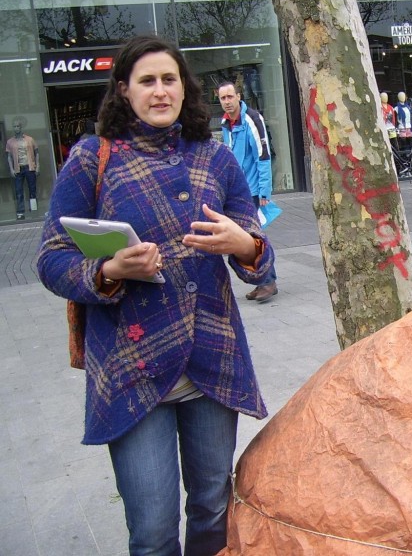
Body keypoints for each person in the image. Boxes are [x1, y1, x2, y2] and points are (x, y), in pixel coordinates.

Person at [36, 35, 274, 556]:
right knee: (154, 531)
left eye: (169, 80)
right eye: (147, 81)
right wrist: (108, 269)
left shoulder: (216, 158)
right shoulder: (90, 159)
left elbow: (257, 258)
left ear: (184, 89)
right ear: (124, 90)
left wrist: (247, 245)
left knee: (213, 509)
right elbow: (52, 257)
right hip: (131, 365)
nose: (160, 91)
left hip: (213, 359)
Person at [218, 80, 279, 303]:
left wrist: (264, 191)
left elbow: (263, 155)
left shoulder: (251, 119)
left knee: (255, 236)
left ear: (238, 96)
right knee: (245, 237)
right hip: (236, 189)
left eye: (229, 97)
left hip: (252, 190)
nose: (226, 101)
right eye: (222, 98)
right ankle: (260, 281)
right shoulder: (226, 124)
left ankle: (267, 282)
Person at [6, 117, 39, 220]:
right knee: (19, 191)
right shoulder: (10, 142)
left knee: (32, 189)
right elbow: (9, 157)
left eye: (18, 126)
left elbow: (36, 153)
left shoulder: (30, 139)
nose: (16, 128)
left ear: (21, 127)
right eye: (14, 126)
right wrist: (11, 169)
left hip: (29, 167)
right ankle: (20, 212)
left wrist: (38, 166)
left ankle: (34, 209)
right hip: (18, 169)